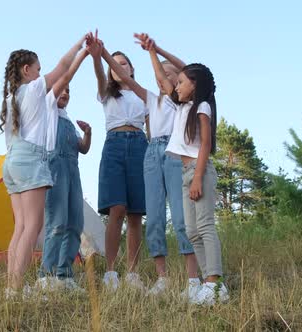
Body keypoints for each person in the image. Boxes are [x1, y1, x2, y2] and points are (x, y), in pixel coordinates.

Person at [0, 34, 92, 299]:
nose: (41, 74)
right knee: (32, 228)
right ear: (26, 70)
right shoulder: (33, 89)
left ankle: (11, 287)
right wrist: (80, 49)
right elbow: (63, 70)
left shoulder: (11, 98)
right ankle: (17, 289)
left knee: (20, 228)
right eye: (38, 69)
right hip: (31, 161)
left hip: (12, 161)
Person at [131, 33, 201, 298]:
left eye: (172, 75)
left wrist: (155, 50)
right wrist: (104, 56)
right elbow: (130, 80)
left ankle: (193, 281)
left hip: (175, 155)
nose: (165, 77)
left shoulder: (181, 101)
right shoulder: (154, 100)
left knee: (182, 218)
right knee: (155, 217)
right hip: (152, 153)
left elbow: (185, 69)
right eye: (164, 74)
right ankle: (162, 279)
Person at [165, 60, 230, 305]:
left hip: (198, 170)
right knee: (191, 231)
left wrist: (198, 178)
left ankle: (215, 283)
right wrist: (155, 49)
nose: (176, 85)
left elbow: (205, 144)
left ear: (194, 84)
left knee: (204, 226)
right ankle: (208, 283)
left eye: (181, 82)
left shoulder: (202, 106)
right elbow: (168, 77)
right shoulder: (184, 107)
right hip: (185, 173)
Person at [87, 34, 148, 291]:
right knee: (117, 209)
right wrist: (98, 56)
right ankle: (111, 273)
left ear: (132, 69)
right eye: (116, 65)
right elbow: (101, 74)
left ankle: (132, 274)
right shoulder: (107, 93)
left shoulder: (143, 96)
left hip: (139, 145)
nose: (119, 67)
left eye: (124, 64)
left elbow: (154, 128)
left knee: (136, 214)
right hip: (114, 145)